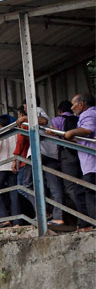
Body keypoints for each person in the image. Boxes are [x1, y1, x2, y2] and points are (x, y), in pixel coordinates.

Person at [52, 100, 90, 229]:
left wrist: (54, 133)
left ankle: (84, 220)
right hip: (81, 156)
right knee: (84, 186)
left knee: (71, 188)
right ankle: (86, 218)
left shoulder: (57, 120)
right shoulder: (79, 118)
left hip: (68, 155)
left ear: (59, 111)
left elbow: (60, 138)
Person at [65, 93, 96, 230]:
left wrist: (71, 133)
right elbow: (83, 139)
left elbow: (89, 130)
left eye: (74, 104)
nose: (72, 108)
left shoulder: (89, 114)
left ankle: (94, 225)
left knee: (91, 194)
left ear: (81, 104)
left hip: (92, 164)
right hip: (89, 164)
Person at [0, 115, 22, 227]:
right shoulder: (15, 133)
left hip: (0, 167)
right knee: (14, 193)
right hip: (13, 166)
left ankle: (4, 219)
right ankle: (17, 221)